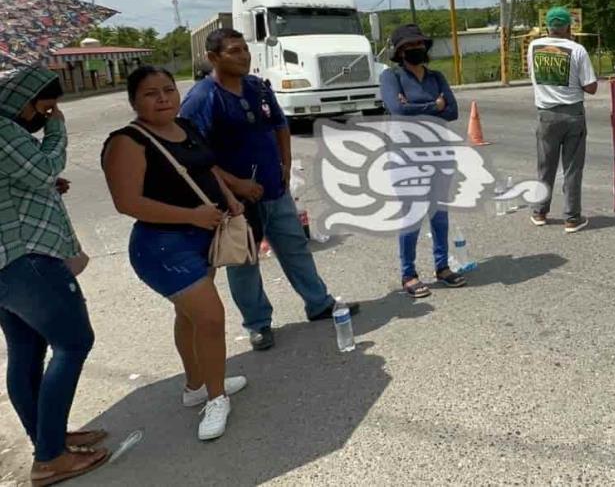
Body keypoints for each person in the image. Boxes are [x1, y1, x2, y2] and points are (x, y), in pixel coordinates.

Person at [180, 29, 357, 352]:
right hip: (235, 200)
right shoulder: (203, 98)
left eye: (245, 49)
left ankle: (318, 303)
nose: (244, 56)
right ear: (213, 58)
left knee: (295, 248)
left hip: (274, 189)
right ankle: (258, 324)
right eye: (234, 51)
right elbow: (193, 155)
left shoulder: (258, 89)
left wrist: (285, 164)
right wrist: (236, 185)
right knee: (244, 263)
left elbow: (280, 126)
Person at [102, 67, 247, 441]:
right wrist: (192, 215)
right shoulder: (127, 141)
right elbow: (127, 202)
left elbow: (205, 168)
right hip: (162, 245)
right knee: (211, 319)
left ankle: (197, 384)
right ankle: (215, 399)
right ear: (134, 101)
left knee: (190, 316)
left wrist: (229, 198)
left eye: (168, 89)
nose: (163, 98)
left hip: (204, 237)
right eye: (151, 93)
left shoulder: (185, 126)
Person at [0, 68, 108, 484]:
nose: (49, 115)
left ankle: (48, 438)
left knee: (26, 351)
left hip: (9, 262)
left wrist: (43, 184)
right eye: (44, 108)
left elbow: (24, 181)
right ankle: (49, 457)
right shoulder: (4, 131)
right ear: (21, 100)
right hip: (27, 258)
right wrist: (58, 131)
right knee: (74, 341)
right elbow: (44, 167)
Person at [378, 24, 465, 299]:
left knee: (439, 215)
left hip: (439, 154)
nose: (415, 49)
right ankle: (409, 273)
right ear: (399, 52)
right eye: (408, 46)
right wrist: (433, 107)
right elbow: (398, 109)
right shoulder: (391, 77)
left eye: (419, 45)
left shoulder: (436, 77)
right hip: (407, 157)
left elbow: (452, 111)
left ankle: (442, 267)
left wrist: (419, 108)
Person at [528, 6, 597, 233]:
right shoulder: (577, 49)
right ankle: (571, 218)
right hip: (572, 114)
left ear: (548, 26)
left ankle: (539, 211)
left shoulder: (534, 47)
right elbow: (591, 87)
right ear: (568, 26)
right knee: (572, 168)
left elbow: (534, 76)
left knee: (545, 166)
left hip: (545, 114)